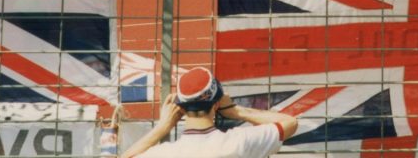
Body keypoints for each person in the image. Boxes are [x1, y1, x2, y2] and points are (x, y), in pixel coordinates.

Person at [122, 67, 297, 158]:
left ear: (180, 108)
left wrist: (161, 128)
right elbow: (289, 123)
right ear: (217, 104)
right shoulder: (237, 143)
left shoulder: (165, 154)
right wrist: (236, 111)